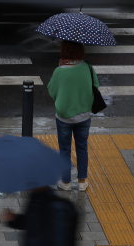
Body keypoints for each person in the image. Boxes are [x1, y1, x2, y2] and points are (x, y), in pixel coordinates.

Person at [47, 40, 99, 192]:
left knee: (65, 150)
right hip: (84, 116)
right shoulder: (88, 68)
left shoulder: (60, 71)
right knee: (82, 148)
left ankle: (66, 182)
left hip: (64, 117)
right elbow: (95, 86)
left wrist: (60, 67)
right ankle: (82, 181)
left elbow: (52, 90)